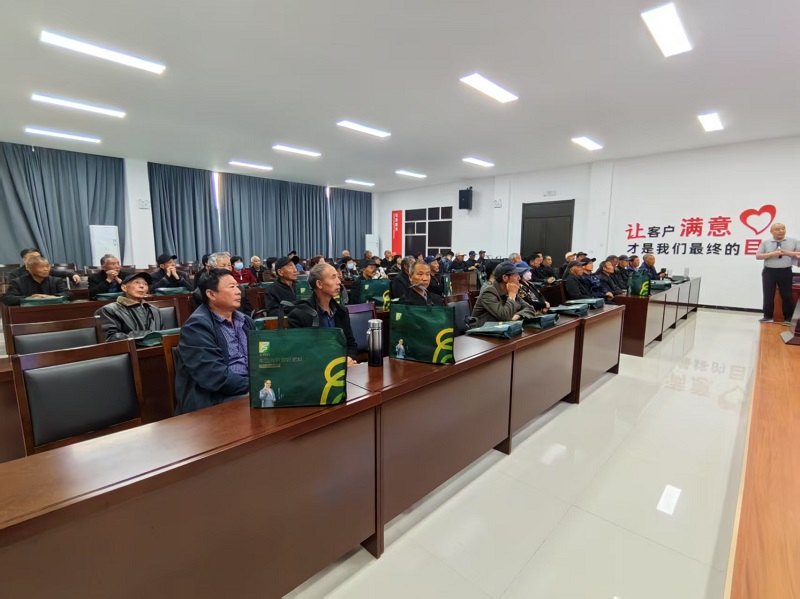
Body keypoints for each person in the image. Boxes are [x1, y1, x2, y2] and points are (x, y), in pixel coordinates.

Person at [174, 268, 255, 414]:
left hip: (247, 390)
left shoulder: (246, 321)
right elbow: (214, 376)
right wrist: (256, 386)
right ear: (211, 294)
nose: (238, 291)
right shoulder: (196, 327)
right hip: (213, 399)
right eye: (232, 287)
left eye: (237, 286)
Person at [287, 263, 358, 364]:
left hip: (343, 367)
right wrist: (337, 364)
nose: (339, 282)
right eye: (333, 277)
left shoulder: (342, 311)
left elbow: (351, 344)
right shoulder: (300, 315)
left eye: (338, 277)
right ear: (319, 284)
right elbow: (300, 354)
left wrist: (348, 358)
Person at [97, 272, 166, 340]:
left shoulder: (154, 310)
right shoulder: (109, 310)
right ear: (124, 288)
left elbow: (164, 335)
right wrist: (149, 335)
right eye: (137, 282)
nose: (142, 286)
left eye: (145, 284)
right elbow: (110, 338)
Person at [756, 222, 799, 325]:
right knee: (768, 294)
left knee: (787, 295)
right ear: (771, 231)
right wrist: (772, 254)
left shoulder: (794, 241)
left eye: (783, 228)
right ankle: (767, 317)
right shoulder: (765, 243)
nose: (781, 231)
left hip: (785, 271)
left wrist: (786, 253)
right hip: (769, 272)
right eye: (777, 229)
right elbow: (758, 256)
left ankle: (788, 318)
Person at [471, 261, 528, 326]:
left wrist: (518, 315)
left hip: (501, 327)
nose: (519, 278)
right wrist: (512, 296)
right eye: (516, 275)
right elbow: (505, 317)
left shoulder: (509, 290)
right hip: (483, 330)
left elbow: (530, 308)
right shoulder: (488, 292)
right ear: (505, 278)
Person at [3, 256, 74, 305]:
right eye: (41, 267)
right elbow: (8, 298)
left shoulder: (56, 281)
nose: (46, 269)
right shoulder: (18, 282)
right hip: (28, 313)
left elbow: (69, 294)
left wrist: (51, 297)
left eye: (47, 266)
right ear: (29, 268)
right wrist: (30, 298)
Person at [8, 248, 82, 285]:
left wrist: (73, 274)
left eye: (38, 257)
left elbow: (62, 273)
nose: (36, 259)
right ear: (24, 260)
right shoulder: (15, 273)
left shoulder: (45, 270)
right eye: (32, 257)